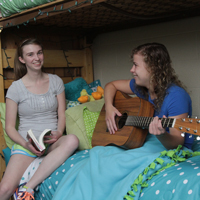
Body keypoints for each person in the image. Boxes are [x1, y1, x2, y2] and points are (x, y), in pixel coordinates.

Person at [0, 38, 79, 200]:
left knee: (72, 140)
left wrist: (58, 132)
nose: (36, 58)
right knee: (4, 190)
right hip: (27, 144)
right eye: (30, 54)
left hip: (50, 141)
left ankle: (27, 188)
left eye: (39, 52)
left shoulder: (56, 81)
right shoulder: (16, 88)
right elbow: (9, 127)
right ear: (22, 59)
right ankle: (18, 188)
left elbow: (62, 114)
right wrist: (26, 144)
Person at [104, 42, 193, 150]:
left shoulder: (177, 96)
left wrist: (162, 134)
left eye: (136, 65)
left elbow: (177, 143)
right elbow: (110, 85)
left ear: (153, 68)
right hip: (147, 140)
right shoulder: (141, 87)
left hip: (170, 147)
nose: (131, 70)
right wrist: (109, 106)